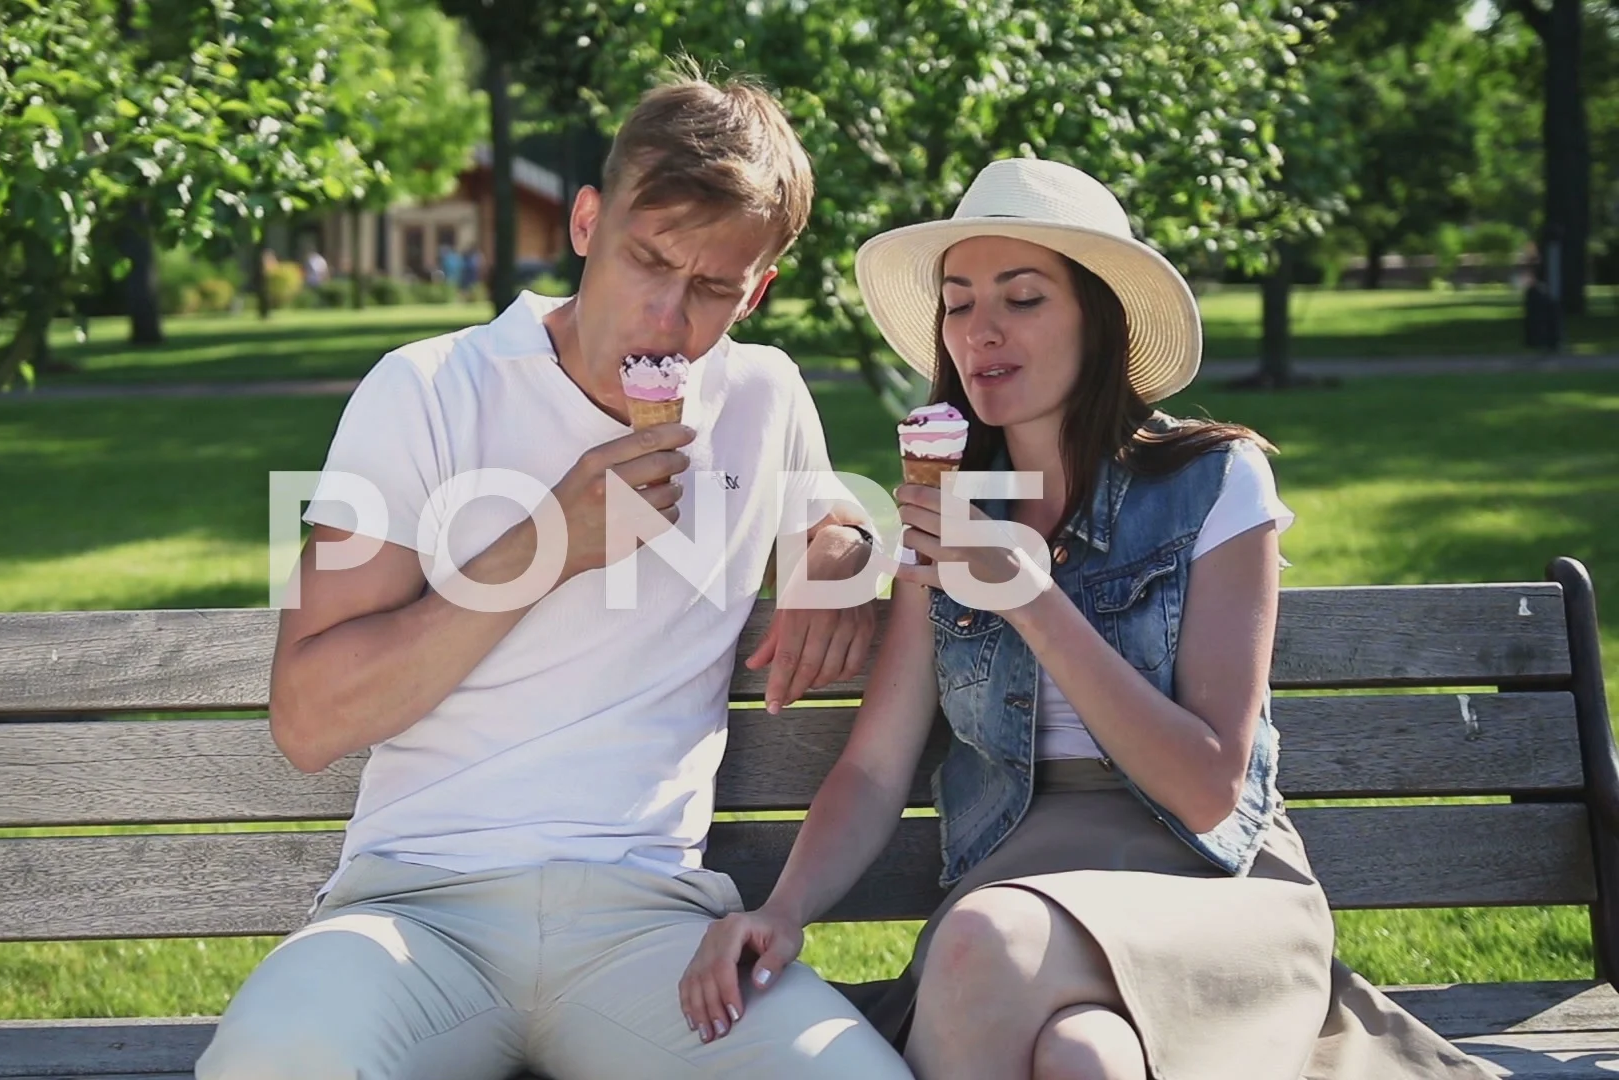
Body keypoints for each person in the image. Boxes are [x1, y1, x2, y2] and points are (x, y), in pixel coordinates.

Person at [678, 158, 1494, 1080]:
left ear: (1099, 319)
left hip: (1206, 889)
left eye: (1023, 299)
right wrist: (782, 909)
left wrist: (1032, 600)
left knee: (986, 940)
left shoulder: (1215, 485)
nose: (981, 330)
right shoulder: (946, 510)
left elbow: (1209, 788)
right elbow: (873, 766)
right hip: (1025, 891)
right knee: (1084, 1060)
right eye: (958, 303)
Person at [194, 69, 911, 1080]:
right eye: (647, 260)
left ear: (758, 290)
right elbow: (309, 720)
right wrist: (548, 544)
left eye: (713, 289)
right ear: (585, 222)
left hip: (651, 931)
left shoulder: (763, 393)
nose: (666, 318)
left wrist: (842, 548)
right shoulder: (429, 390)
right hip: (414, 918)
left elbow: (837, 520)